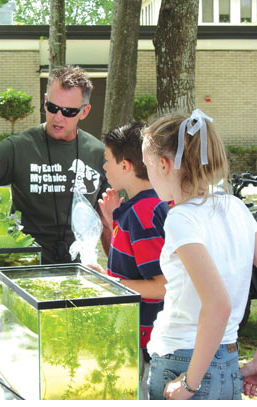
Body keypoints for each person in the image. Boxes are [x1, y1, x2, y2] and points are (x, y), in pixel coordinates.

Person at [141, 108, 257, 400]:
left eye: (147, 166)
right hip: (227, 361)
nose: (148, 176)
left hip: (183, 365)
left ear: (165, 165)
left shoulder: (181, 218)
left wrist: (189, 384)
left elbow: (218, 304)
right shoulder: (237, 207)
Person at [0, 65, 109, 264]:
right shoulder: (18, 147)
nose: (58, 117)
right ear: (45, 101)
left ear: (84, 111)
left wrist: (116, 270)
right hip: (25, 263)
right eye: (52, 108)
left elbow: (106, 219)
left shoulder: (99, 153)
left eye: (68, 111)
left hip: (81, 265)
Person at [89, 122, 168, 400]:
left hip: (145, 339)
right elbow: (134, 263)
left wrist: (111, 283)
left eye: (107, 161)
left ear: (125, 166)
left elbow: (161, 285)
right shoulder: (144, 206)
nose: (104, 168)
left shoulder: (141, 214)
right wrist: (113, 223)